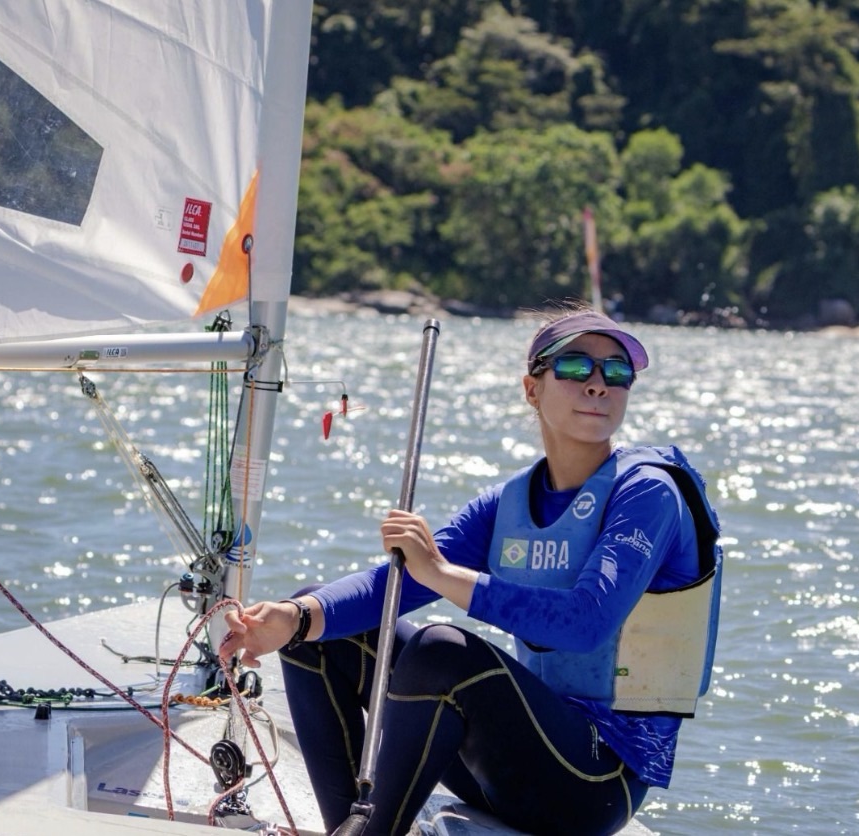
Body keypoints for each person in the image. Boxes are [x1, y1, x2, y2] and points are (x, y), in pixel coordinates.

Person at [219, 307, 723, 836]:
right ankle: (350, 827)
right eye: (576, 367)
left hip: (596, 780)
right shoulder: (508, 502)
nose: (598, 384)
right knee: (319, 630)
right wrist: (294, 617)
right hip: (505, 766)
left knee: (441, 652)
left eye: (616, 373)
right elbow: (399, 585)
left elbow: (585, 622)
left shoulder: (648, 491)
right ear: (532, 388)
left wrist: (440, 571)